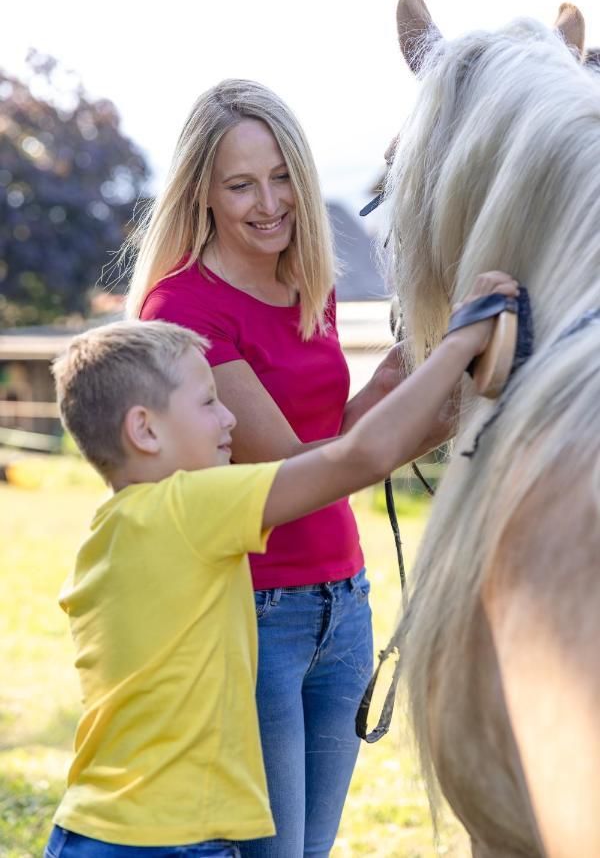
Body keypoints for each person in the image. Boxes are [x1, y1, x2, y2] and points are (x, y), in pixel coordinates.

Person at [45, 271, 517, 856]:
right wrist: (461, 344)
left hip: (102, 828)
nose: (230, 420)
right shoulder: (191, 508)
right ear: (144, 430)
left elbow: (346, 452)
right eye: (209, 402)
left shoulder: (120, 525)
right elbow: (358, 458)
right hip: (165, 841)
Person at [127, 79, 444, 858]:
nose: (269, 203)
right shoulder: (183, 309)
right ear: (202, 190)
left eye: (282, 179)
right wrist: (441, 401)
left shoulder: (308, 282)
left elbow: (333, 428)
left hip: (345, 601)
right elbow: (297, 474)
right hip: (254, 613)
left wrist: (405, 370)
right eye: (241, 185)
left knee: (311, 848)